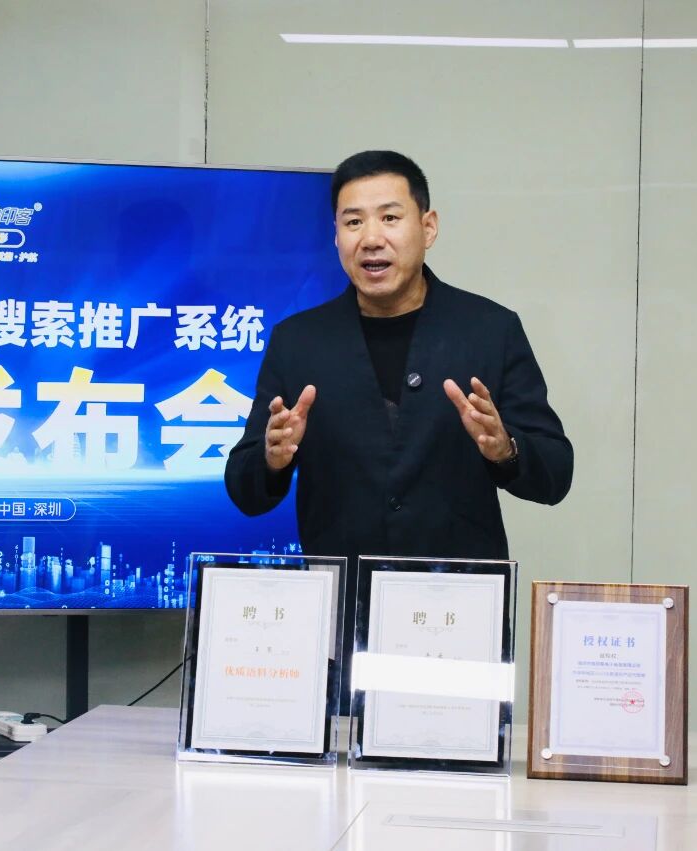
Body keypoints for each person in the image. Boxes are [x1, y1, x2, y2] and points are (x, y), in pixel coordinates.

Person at [224, 150, 573, 675]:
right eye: (353, 222)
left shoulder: (489, 330)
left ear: (427, 227)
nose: (371, 238)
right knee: (342, 730)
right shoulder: (298, 342)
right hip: (342, 614)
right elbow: (244, 489)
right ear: (336, 236)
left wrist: (506, 450)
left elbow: (556, 473)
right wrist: (273, 459)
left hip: (458, 613)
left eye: (389, 217)